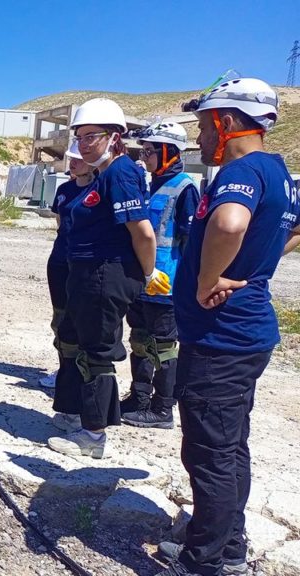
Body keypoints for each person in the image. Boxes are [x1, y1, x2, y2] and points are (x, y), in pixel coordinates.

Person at [155, 78, 300, 576]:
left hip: (222, 339)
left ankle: (205, 561)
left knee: (209, 454)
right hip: (243, 336)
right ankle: (227, 545)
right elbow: (294, 226)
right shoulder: (279, 173)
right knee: (229, 445)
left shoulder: (241, 170)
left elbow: (230, 224)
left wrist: (209, 280)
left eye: (203, 126)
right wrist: (255, 267)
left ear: (228, 122)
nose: (200, 138)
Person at [45, 98, 170, 459]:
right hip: (86, 272)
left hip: (106, 273)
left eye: (92, 137)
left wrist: (149, 273)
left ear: (115, 137)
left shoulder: (122, 172)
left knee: (97, 353)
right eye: (79, 137)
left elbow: (142, 232)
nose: (84, 144)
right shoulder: (104, 174)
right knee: (76, 342)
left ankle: (93, 435)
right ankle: (73, 413)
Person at [120, 121, 199, 429]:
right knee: (139, 341)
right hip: (140, 282)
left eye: (151, 150)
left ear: (169, 151)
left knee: (163, 347)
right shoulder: (147, 185)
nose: (146, 156)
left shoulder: (184, 188)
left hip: (166, 285)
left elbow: (191, 242)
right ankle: (138, 399)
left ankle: (163, 408)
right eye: (145, 150)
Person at [47, 141, 95, 432]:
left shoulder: (98, 190)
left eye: (78, 158)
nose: (73, 163)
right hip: (59, 264)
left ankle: (80, 398)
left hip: (84, 268)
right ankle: (64, 375)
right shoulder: (64, 191)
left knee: (81, 330)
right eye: (71, 158)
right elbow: (59, 225)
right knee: (61, 324)